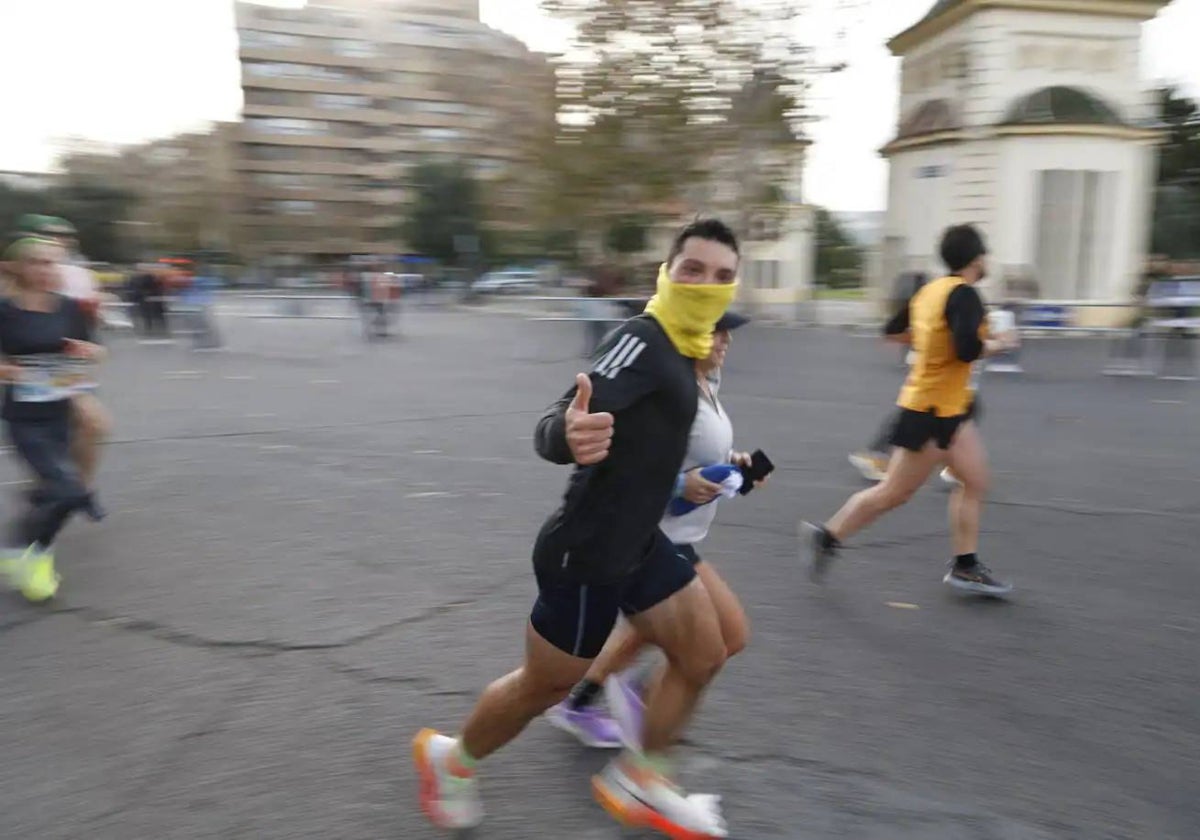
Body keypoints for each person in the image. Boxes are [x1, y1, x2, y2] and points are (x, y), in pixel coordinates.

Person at [413, 219, 741, 838]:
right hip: (586, 555)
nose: (706, 284)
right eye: (693, 270)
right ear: (667, 273)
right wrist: (566, 434)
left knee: (704, 654)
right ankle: (450, 761)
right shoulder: (645, 338)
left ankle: (641, 778)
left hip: (641, 544)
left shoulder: (692, 347)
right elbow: (558, 415)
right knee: (543, 687)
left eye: (723, 276)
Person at [545, 310, 765, 749]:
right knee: (719, 640)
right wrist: (684, 483)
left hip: (683, 534)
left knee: (691, 637)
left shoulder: (708, 383)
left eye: (729, 332)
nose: (726, 340)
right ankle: (641, 719)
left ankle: (591, 700)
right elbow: (630, 461)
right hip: (657, 535)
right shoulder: (668, 390)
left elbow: (700, 453)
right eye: (716, 329)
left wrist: (738, 467)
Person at [801, 224, 1019, 596]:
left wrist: (930, 345)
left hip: (948, 408)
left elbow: (893, 329)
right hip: (932, 413)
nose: (987, 261)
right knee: (892, 494)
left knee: (975, 481)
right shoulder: (965, 295)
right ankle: (827, 536)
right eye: (985, 255)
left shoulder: (929, 291)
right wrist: (999, 343)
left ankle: (965, 566)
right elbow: (967, 349)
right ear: (977, 258)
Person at [0, 236, 104, 602]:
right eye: (38, 262)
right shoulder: (5, 310)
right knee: (68, 489)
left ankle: (15, 550)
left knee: (52, 490)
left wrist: (89, 351)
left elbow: (93, 351)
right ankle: (36, 557)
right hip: (25, 417)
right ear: (20, 268)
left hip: (64, 410)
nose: (47, 270)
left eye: (52, 262)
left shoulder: (70, 308)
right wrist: (8, 371)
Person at [17, 216, 110, 521]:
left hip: (64, 372)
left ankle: (79, 489)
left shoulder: (77, 276)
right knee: (45, 440)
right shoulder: (17, 272)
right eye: (51, 235)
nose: (59, 241)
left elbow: (91, 334)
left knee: (96, 423)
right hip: (23, 375)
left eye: (63, 236)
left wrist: (89, 349)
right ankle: (55, 485)